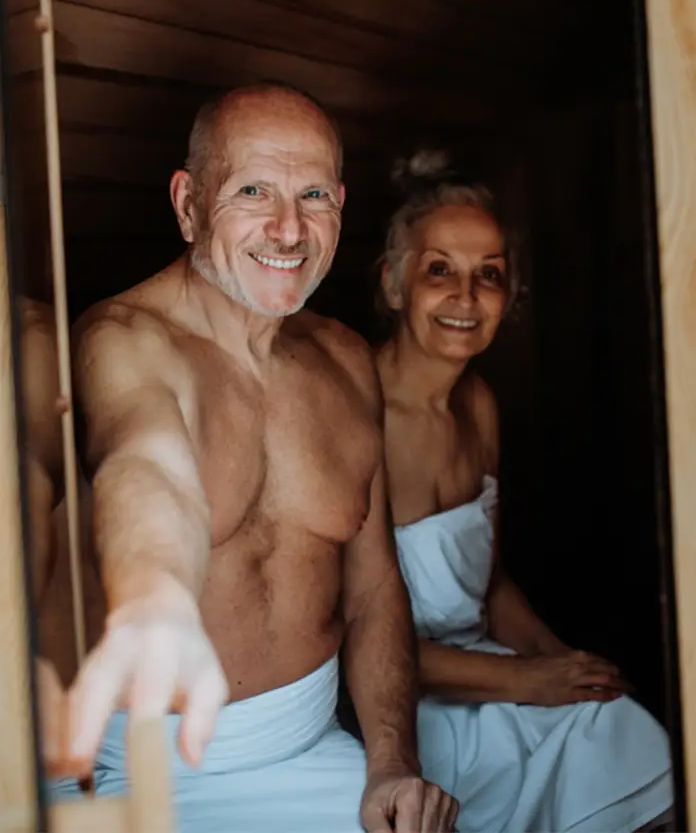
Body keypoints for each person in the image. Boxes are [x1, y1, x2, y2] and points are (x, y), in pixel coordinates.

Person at [38, 83, 459, 833]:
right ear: (189, 203)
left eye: (313, 196)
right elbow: (148, 460)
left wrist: (392, 762)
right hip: (137, 774)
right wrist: (156, 596)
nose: (288, 228)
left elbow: (372, 588)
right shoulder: (122, 342)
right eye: (253, 191)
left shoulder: (347, 359)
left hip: (310, 751)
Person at [374, 148, 675, 832]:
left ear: (510, 300)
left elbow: (489, 580)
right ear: (394, 285)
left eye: (490, 276)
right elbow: (353, 640)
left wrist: (556, 659)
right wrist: (526, 682)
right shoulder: (353, 416)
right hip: (398, 703)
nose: (465, 296)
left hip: (487, 668)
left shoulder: (478, 405)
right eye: (439, 271)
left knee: (624, 725)